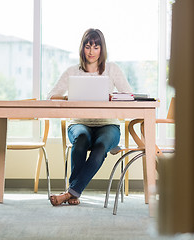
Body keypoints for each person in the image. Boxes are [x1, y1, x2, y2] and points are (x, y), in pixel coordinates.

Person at [47, 28, 133, 206]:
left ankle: (69, 193)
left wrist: (112, 98)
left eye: (96, 47)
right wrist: (68, 97)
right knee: (80, 141)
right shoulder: (73, 71)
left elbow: (129, 95)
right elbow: (51, 96)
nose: (91, 52)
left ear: (102, 49)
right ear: (82, 48)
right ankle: (74, 193)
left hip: (108, 125)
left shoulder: (112, 69)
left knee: (100, 147)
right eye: (88, 47)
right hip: (80, 123)